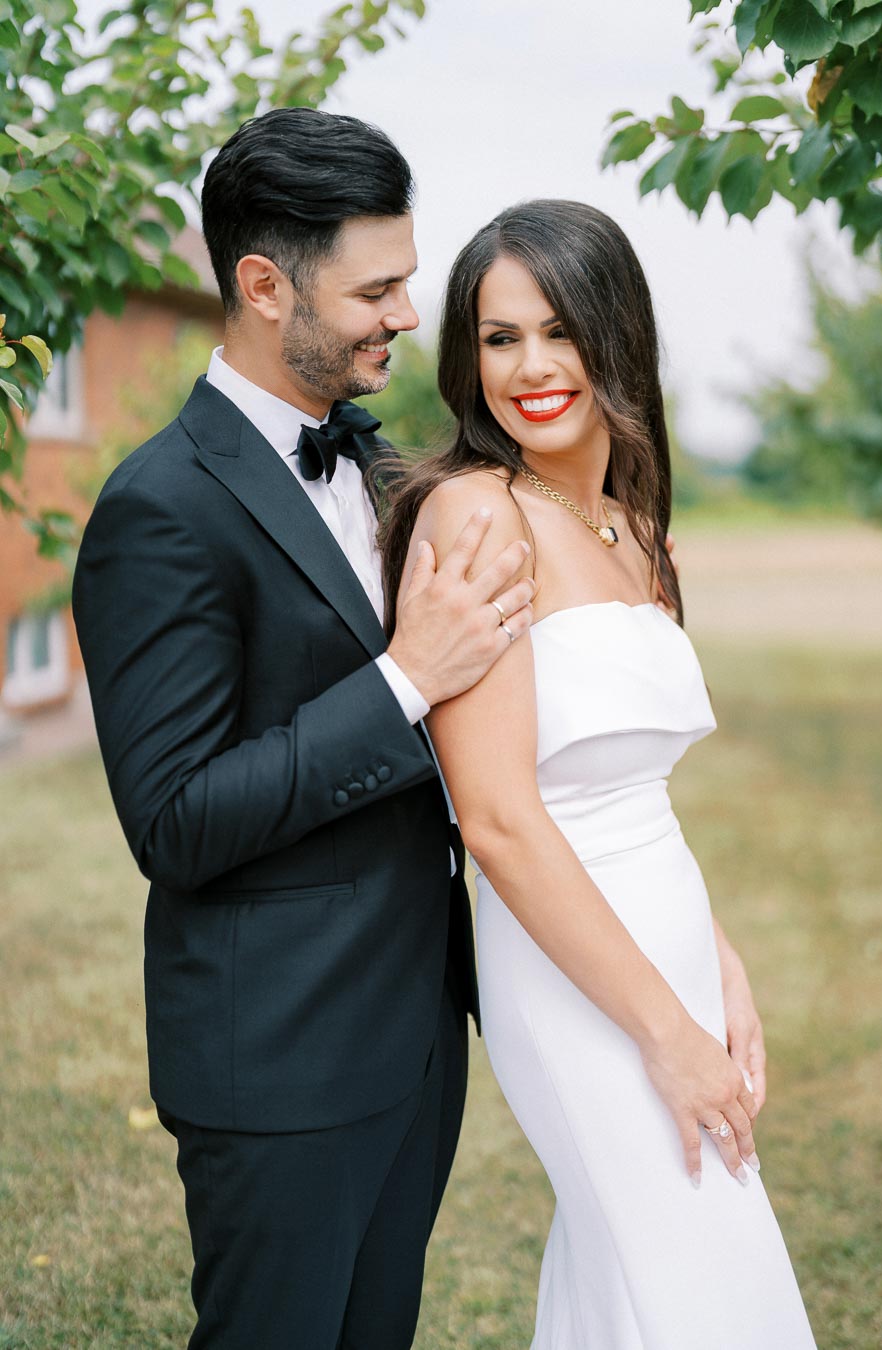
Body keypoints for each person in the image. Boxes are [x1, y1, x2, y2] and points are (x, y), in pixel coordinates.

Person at [71, 108, 537, 1349]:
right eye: (375, 289)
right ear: (264, 287)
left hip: (414, 1037)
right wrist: (403, 681)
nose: (402, 314)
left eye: (408, 280)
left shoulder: (384, 471)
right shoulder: (158, 508)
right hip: (277, 1061)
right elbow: (176, 822)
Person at [380, 199, 818, 1348]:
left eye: (560, 329)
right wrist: (664, 1033)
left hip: (662, 943)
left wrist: (715, 970)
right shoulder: (479, 516)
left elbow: (639, 797)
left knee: (629, 1289)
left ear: (616, 332)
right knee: (704, 1287)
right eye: (499, 337)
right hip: (573, 979)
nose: (531, 367)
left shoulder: (636, 529)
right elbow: (499, 819)